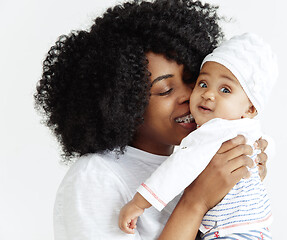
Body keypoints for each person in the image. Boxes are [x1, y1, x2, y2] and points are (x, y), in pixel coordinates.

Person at [34, 0, 269, 239]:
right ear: (124, 102)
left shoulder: (192, 163)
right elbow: (196, 202)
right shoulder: (95, 178)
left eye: (194, 80)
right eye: (166, 90)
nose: (189, 96)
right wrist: (196, 201)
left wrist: (238, 186)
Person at [119, 33, 277, 240]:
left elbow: (178, 168)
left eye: (225, 90)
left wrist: (139, 202)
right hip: (259, 227)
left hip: (227, 232)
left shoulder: (210, 134)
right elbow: (268, 145)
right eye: (202, 84)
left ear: (250, 108)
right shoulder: (247, 129)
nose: (208, 94)